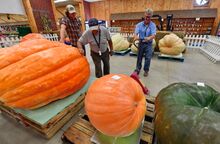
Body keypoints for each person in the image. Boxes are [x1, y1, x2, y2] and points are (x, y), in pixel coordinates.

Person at [134, 8, 156, 77]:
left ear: (151, 17)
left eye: (149, 17)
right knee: (139, 57)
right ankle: (138, 69)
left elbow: (153, 35)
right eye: (146, 17)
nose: (147, 18)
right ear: (144, 15)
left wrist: (149, 38)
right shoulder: (139, 25)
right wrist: (136, 36)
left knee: (148, 58)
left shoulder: (153, 25)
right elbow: (136, 34)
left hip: (148, 44)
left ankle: (146, 70)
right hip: (141, 43)